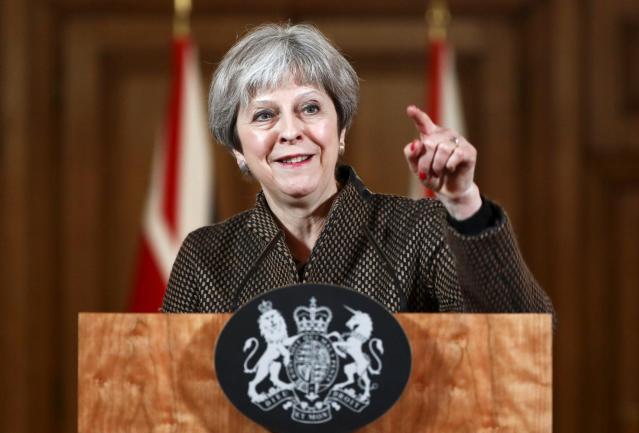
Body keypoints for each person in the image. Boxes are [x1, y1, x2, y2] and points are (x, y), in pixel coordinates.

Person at [161, 23, 555, 319]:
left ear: (341, 128)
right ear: (237, 149)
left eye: (310, 108)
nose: (291, 131)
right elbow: (167, 392)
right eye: (265, 115)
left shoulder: (423, 230)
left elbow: (518, 333)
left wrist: (464, 203)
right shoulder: (205, 256)